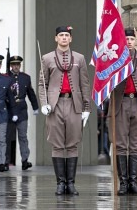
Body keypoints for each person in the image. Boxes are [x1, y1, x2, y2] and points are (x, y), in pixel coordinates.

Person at [38, 26, 91, 196]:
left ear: (71, 38)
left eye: (67, 35)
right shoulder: (47, 58)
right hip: (55, 104)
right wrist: (44, 102)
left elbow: (84, 84)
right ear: (56, 38)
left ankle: (71, 183)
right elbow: (42, 84)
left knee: (73, 143)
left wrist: (87, 107)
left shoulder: (79, 58)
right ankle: (60, 183)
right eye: (61, 35)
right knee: (57, 143)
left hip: (74, 103)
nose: (64, 38)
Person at [107, 29, 137, 196]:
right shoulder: (114, 57)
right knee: (120, 143)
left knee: (136, 143)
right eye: (126, 38)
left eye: (132, 38)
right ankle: (123, 182)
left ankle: (133, 182)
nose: (129, 41)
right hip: (120, 101)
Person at [5, 55, 39, 171]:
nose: (16, 67)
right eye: (14, 65)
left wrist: (35, 107)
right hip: (9, 110)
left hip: (22, 110)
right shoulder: (6, 77)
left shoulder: (25, 78)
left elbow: (31, 93)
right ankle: (6, 161)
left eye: (18, 65)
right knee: (8, 137)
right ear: (11, 66)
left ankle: (25, 160)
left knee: (23, 136)